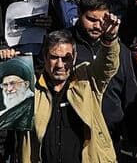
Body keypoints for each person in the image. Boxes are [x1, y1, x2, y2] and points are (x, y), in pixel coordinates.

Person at [18, 20, 121, 163]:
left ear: (74, 57)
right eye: (54, 57)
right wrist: (5, 60)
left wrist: (109, 39)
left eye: (66, 58)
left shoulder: (87, 78)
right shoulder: (31, 86)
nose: (60, 65)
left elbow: (108, 65)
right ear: (45, 57)